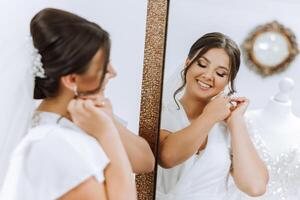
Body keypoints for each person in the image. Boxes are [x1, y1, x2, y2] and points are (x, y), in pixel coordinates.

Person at [0, 8, 154, 200]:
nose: (113, 72)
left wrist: (107, 125)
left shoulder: (82, 122)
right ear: (72, 80)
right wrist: (107, 134)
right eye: (103, 66)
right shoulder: (54, 143)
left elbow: (146, 162)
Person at [156, 32, 269, 200]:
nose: (208, 76)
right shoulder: (160, 114)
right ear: (187, 63)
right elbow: (167, 157)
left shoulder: (229, 127)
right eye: (202, 64)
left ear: (228, 80)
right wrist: (209, 116)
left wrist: (236, 122)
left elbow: (255, 187)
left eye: (221, 73)